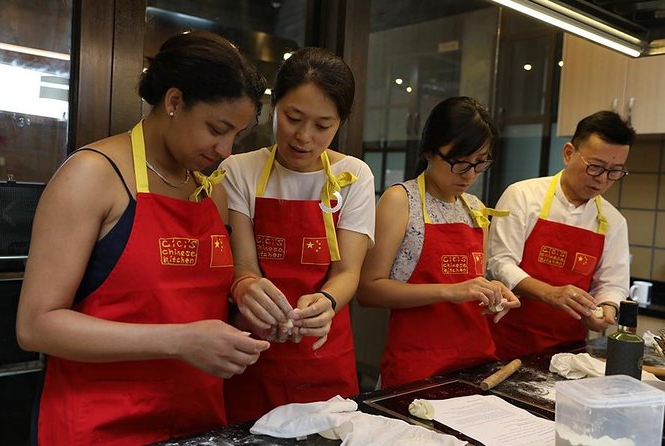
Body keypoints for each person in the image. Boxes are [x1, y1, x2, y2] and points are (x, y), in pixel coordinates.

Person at [16, 31, 271, 445]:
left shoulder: (210, 188)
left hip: (197, 423)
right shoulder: (92, 176)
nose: (225, 149)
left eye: (236, 136)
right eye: (216, 128)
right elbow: (36, 325)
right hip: (98, 425)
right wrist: (179, 340)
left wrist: (251, 313)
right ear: (173, 102)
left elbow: (196, 299)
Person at [220, 47, 375, 423]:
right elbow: (243, 266)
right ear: (274, 107)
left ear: (340, 123)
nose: (304, 137)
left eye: (323, 126)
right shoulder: (239, 170)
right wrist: (248, 290)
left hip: (323, 352)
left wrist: (326, 301)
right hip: (254, 351)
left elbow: (347, 273)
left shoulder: (354, 175)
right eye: (293, 118)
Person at [356, 97, 520, 389]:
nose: (470, 174)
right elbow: (368, 291)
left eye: (480, 163)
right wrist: (449, 291)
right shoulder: (400, 200)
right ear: (430, 151)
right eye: (459, 163)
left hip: (474, 364)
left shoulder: (475, 208)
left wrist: (494, 291)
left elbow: (473, 283)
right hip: (417, 367)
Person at [487, 110, 635, 360]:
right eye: (595, 167)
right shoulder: (522, 195)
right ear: (568, 153)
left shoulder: (613, 221)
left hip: (568, 352)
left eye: (614, 172)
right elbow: (499, 262)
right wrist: (549, 293)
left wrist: (606, 308)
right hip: (504, 341)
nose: (602, 180)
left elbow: (613, 285)